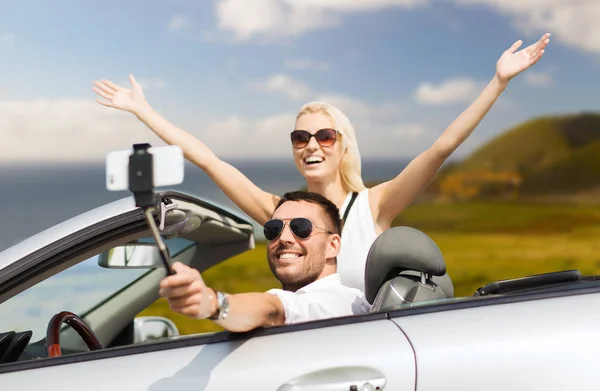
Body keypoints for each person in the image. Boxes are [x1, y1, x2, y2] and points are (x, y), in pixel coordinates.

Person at [94, 33, 551, 292]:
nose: (311, 145)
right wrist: (143, 111)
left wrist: (498, 82)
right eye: (300, 137)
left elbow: (440, 148)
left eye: (324, 135)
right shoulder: (282, 215)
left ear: (343, 145)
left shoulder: (375, 205)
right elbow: (208, 159)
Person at [158, 191, 371, 331]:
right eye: (274, 229)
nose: (284, 238)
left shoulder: (337, 302)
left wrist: (213, 303)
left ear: (333, 245)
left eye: (302, 228)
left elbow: (274, 309)